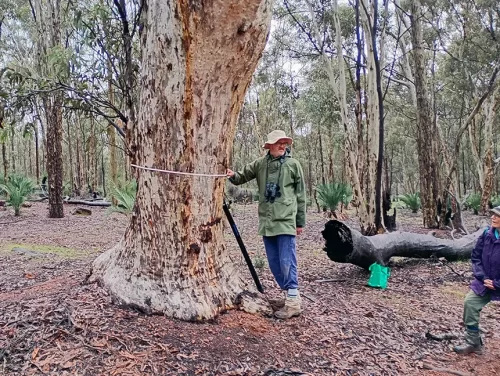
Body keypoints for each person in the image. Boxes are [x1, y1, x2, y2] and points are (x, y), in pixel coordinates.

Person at [226, 130, 306, 319]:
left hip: (286, 220)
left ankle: (294, 302)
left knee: (287, 261)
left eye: (284, 143)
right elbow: (241, 176)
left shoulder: (293, 165)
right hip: (267, 221)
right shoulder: (260, 164)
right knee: (274, 263)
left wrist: (300, 221)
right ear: (270, 145)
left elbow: (301, 195)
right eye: (279, 143)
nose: (282, 146)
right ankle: (289, 297)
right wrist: (231, 175)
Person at [453, 205, 500, 354]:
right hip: (486, 281)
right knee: (470, 303)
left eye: (497, 215)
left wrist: (497, 283)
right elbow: (476, 257)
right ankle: (473, 342)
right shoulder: (487, 234)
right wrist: (483, 277)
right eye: (492, 214)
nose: (493, 217)